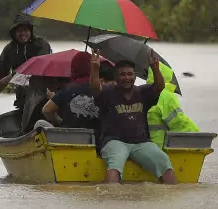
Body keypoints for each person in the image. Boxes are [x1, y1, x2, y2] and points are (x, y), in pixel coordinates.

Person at [89, 49, 177, 185]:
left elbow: (159, 86)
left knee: (163, 160)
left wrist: (155, 69)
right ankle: (110, 197)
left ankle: (172, 198)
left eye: (130, 74)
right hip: (114, 141)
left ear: (135, 76)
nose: (126, 78)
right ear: (116, 77)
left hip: (141, 142)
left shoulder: (142, 92)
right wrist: (95, 69)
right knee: (115, 164)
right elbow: (95, 88)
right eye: (122, 75)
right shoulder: (108, 92)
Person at [0, 13, 52, 111]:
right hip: (22, 94)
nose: (22, 33)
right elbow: (1, 69)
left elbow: (38, 66)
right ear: (14, 33)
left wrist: (10, 77)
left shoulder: (42, 44)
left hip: (43, 90)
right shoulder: (9, 49)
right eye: (19, 31)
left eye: (25, 30)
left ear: (30, 31)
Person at [39, 52, 100, 130]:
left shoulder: (68, 89)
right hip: (96, 136)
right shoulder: (100, 87)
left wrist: (58, 121)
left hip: (69, 135)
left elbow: (46, 110)